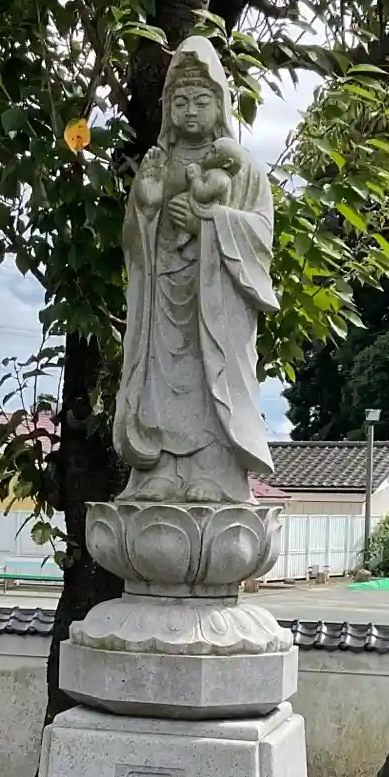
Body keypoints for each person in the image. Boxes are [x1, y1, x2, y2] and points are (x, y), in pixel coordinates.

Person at [114, 37, 277, 504]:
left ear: (220, 105)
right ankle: (162, 468)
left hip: (216, 300)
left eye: (201, 101)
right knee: (161, 378)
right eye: (179, 101)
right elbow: (134, 246)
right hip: (163, 292)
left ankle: (214, 470)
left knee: (211, 379)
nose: (189, 111)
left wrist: (209, 221)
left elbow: (260, 235)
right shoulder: (159, 162)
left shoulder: (242, 169)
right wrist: (145, 208)